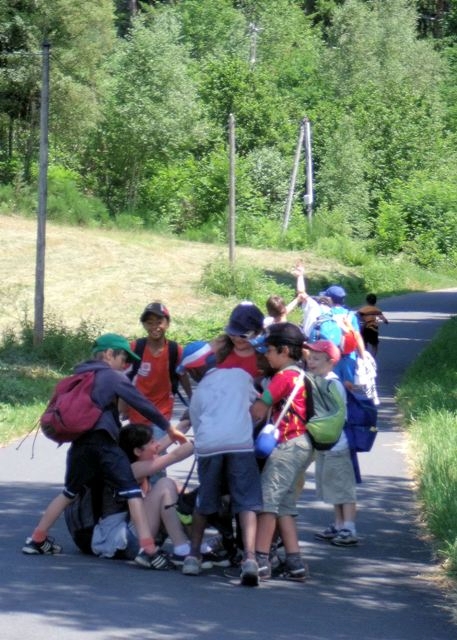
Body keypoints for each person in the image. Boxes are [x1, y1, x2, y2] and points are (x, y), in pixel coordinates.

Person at [22, 333, 186, 570]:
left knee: (69, 492)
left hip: (79, 445)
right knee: (132, 492)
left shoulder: (78, 376)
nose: (126, 365)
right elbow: (140, 402)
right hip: (104, 444)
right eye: (123, 359)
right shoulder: (111, 376)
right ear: (109, 354)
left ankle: (37, 539)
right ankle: (148, 550)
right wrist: (169, 428)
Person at [178, 341, 263, 587]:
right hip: (240, 444)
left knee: (205, 500)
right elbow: (256, 406)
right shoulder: (240, 376)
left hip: (209, 448)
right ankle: (250, 559)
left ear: (195, 370)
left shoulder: (199, 393)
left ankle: (193, 556)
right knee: (246, 501)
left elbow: (197, 424)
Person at [250, 322, 314, 582]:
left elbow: (259, 410)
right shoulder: (302, 375)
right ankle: (295, 562)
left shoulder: (284, 376)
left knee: (268, 502)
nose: (266, 355)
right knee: (285, 505)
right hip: (303, 444)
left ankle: (260, 560)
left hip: (287, 444)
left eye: (269, 350)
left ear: (285, 350)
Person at [91, 423, 195, 562]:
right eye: (152, 442)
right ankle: (182, 547)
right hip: (124, 540)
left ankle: (195, 543)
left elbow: (168, 439)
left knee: (176, 486)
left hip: (129, 533)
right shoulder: (133, 469)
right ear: (137, 451)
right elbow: (175, 456)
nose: (157, 445)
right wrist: (206, 440)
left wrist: (187, 421)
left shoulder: (136, 459)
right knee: (165, 484)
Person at [304, 340, 359, 547]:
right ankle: (338, 524)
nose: (311, 362)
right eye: (310, 358)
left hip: (337, 444)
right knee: (333, 488)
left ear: (331, 362)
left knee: (344, 488)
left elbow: (337, 415)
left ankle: (349, 528)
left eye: (317, 359)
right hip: (325, 444)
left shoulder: (333, 384)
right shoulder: (320, 380)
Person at [125, 302, 192, 426]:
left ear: (167, 323)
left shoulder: (174, 349)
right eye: (149, 323)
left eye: (159, 322)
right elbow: (123, 377)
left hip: (163, 411)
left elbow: (182, 375)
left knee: (159, 439)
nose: (155, 327)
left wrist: (191, 399)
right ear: (144, 324)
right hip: (137, 411)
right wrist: (121, 405)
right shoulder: (135, 347)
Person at [213, 301, 265, 379]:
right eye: (232, 333)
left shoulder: (266, 355)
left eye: (243, 335)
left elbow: (270, 385)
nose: (237, 339)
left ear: (257, 332)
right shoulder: (220, 345)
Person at [357, 293, 389, 357]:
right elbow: (382, 318)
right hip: (373, 330)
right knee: (374, 345)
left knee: (364, 344)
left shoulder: (362, 310)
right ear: (375, 301)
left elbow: (358, 317)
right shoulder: (377, 310)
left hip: (364, 329)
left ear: (367, 301)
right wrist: (386, 321)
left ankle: (364, 357)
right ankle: (372, 357)